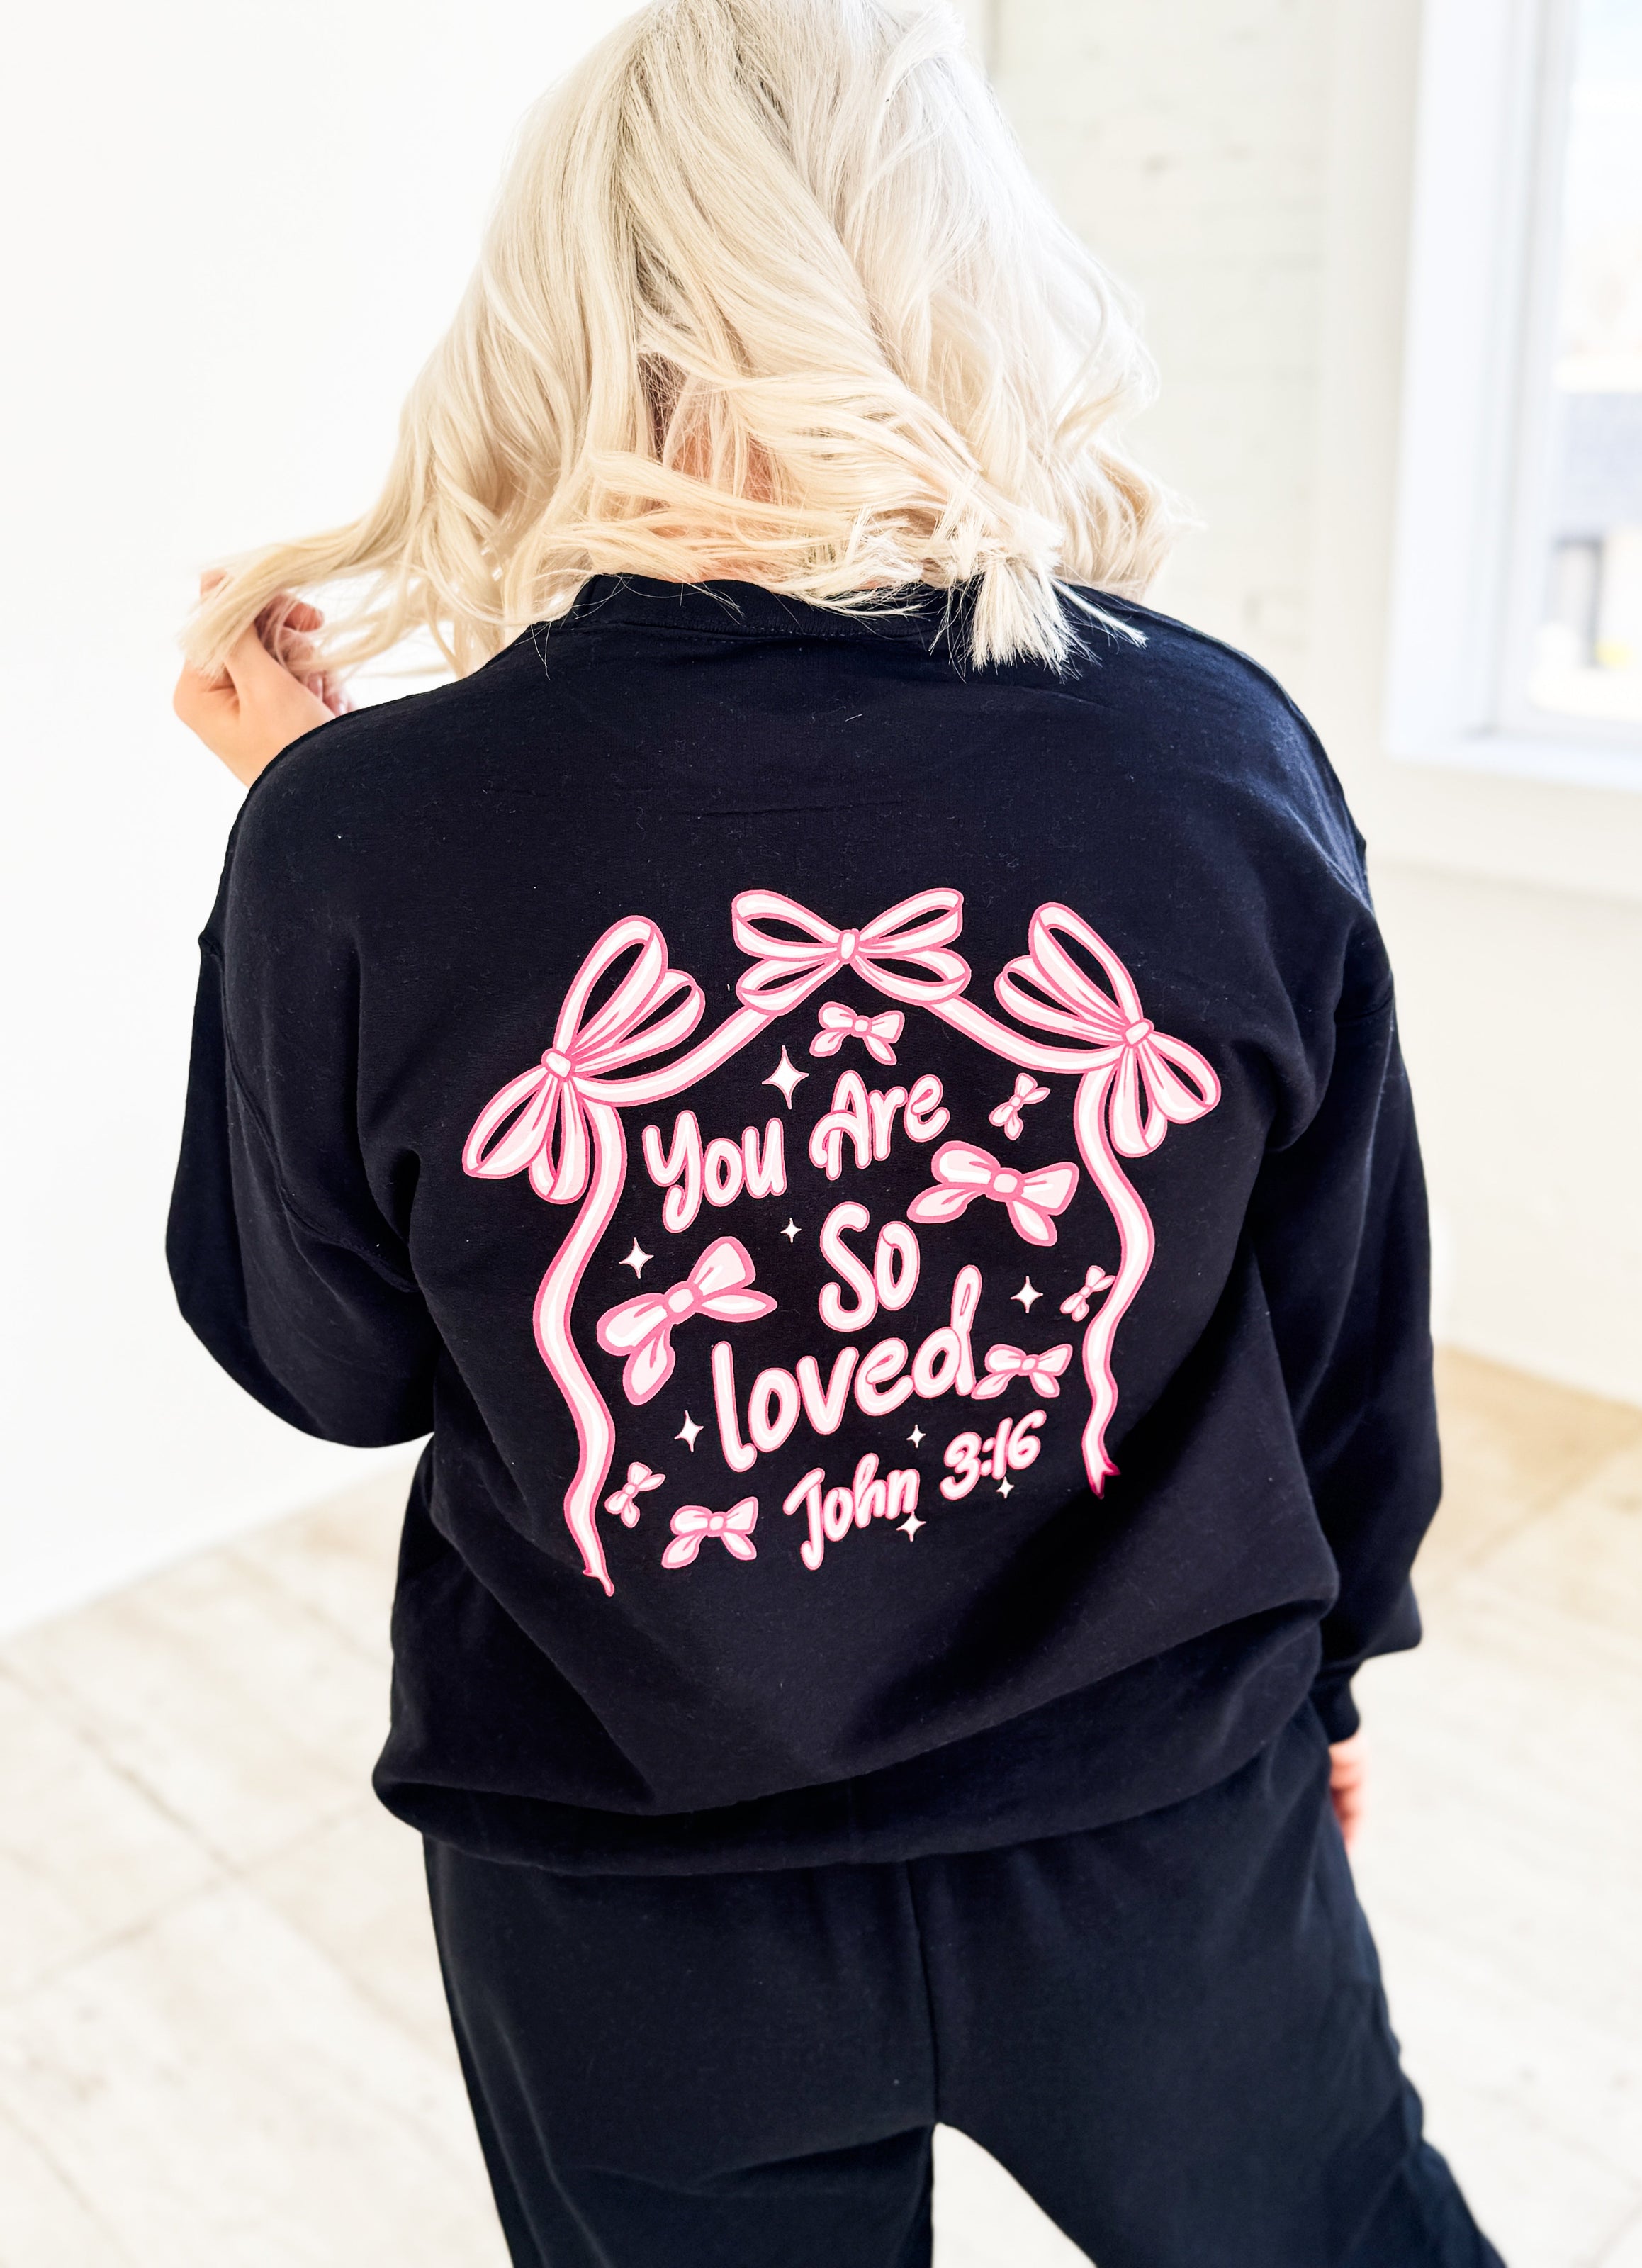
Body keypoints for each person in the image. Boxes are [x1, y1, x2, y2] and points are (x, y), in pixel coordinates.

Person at [168, 4, 1501, 2262]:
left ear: (560, 316)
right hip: (1155, 1834)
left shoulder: (363, 835)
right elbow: (1342, 1315)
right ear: (972, 276)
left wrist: (300, 842)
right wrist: (1333, 1663)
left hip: (626, 1901)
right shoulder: (1211, 755)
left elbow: (337, 1369)